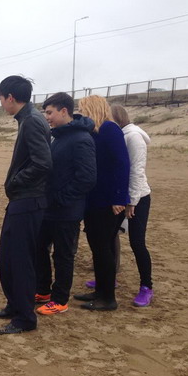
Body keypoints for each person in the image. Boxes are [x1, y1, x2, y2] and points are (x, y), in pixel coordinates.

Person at [0, 75, 52, 335]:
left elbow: (43, 163)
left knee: (20, 259)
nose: (2, 103)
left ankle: (25, 318)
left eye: (2, 98)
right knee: (8, 256)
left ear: (10, 98)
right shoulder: (27, 118)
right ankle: (15, 305)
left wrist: (16, 181)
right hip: (22, 200)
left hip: (28, 200)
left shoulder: (32, 121)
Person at [34, 93, 97, 316]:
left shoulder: (81, 139)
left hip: (67, 211)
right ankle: (43, 291)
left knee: (62, 256)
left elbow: (87, 178)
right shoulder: (58, 137)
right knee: (39, 248)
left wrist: (61, 199)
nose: (47, 117)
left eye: (49, 112)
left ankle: (60, 299)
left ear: (64, 111)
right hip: (48, 208)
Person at [73, 95, 130, 311]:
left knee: (104, 248)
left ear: (92, 108)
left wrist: (119, 198)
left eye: (82, 108)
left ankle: (108, 298)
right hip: (94, 199)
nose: (80, 112)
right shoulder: (94, 131)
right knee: (97, 248)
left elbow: (122, 164)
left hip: (108, 201)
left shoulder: (109, 129)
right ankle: (100, 290)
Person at [111, 104, 154, 307]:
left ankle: (146, 287)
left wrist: (131, 201)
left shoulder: (134, 137)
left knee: (137, 242)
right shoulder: (121, 134)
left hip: (138, 198)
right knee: (108, 236)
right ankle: (109, 278)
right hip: (121, 196)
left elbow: (137, 170)